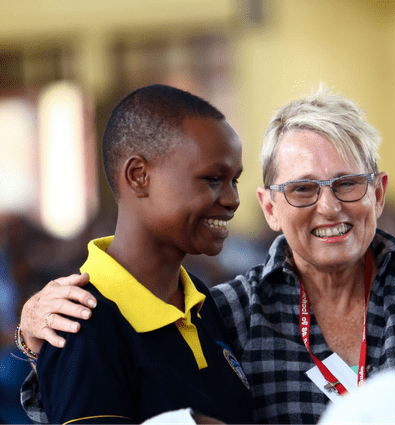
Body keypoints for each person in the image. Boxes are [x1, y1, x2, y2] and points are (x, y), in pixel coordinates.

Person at [15, 86, 395, 424]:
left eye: (348, 184)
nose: (329, 208)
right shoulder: (228, 313)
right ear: (270, 205)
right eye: (302, 190)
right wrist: (34, 328)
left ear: (381, 192)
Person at [16, 84, 252, 424]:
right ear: (138, 176)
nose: (232, 199)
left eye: (235, 181)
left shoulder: (199, 300)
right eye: (213, 179)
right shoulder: (82, 319)